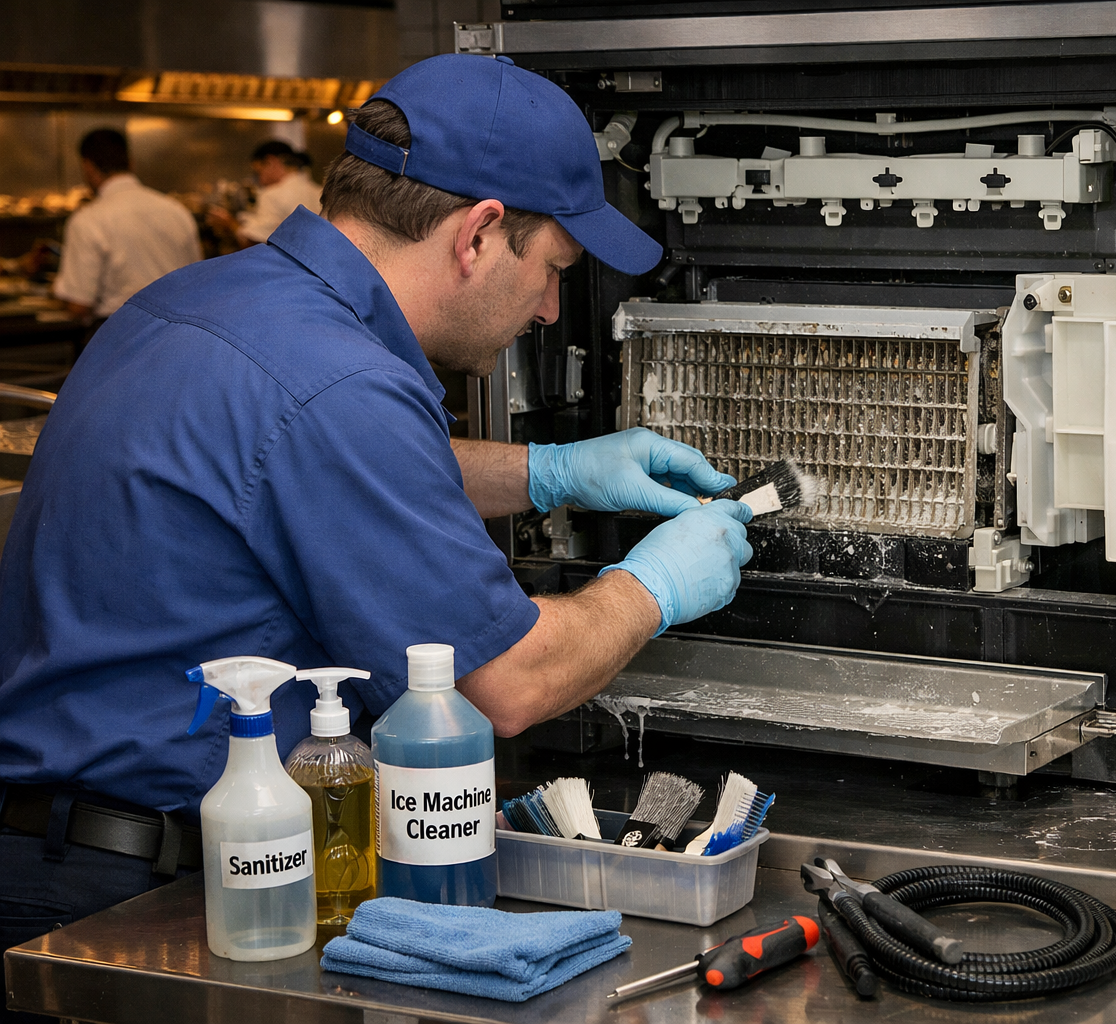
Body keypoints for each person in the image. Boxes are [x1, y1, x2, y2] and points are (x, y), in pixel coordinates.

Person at [0, 54, 750, 1007]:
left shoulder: (205, 301)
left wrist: (549, 471)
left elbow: (309, 475)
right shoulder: (337, 381)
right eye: (554, 270)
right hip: (143, 897)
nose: (552, 309)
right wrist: (656, 585)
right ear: (480, 233)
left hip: (54, 842)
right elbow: (513, 681)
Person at [51, 128, 201, 323]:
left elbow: (79, 305)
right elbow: (198, 282)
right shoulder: (177, 211)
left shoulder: (88, 220)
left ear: (87, 166)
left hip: (118, 332)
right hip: (178, 331)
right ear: (131, 163)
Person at [206, 139, 323, 247]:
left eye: (258, 172)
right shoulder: (320, 191)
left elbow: (257, 243)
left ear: (271, 162)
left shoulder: (272, 195)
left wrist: (229, 224)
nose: (259, 180)